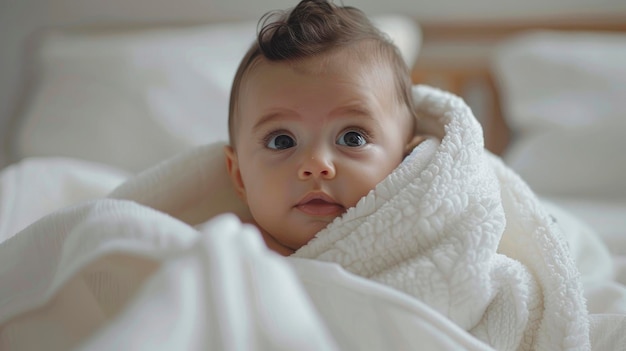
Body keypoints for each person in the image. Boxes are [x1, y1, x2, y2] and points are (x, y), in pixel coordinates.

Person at [224, 0, 424, 256]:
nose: (316, 164)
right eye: (282, 141)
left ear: (407, 162)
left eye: (353, 138)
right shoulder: (226, 253)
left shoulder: (424, 250)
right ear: (240, 176)